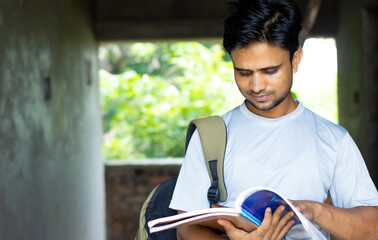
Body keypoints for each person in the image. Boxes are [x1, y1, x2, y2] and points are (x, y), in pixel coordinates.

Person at [169, 0, 378, 239]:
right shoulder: (210, 138)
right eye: (244, 72)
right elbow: (185, 228)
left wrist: (315, 210)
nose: (256, 86)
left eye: (270, 71)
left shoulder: (333, 139)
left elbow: (372, 229)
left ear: (295, 60)